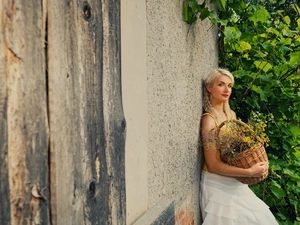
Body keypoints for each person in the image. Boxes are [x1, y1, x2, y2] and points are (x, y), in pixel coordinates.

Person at [200, 68, 278, 225]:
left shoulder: (231, 116)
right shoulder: (209, 120)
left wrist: (256, 163)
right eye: (221, 84)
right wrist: (249, 172)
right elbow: (213, 165)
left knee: (262, 220)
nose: (226, 89)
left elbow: (235, 154)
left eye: (229, 85)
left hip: (235, 183)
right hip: (217, 185)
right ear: (209, 87)